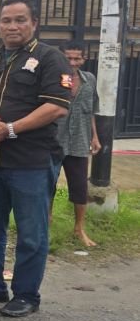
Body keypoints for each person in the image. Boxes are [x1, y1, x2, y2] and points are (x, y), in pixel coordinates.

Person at [0, 0, 71, 318]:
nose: (13, 26)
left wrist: (8, 129)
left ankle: (26, 295)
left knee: (31, 232)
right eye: (6, 21)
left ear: (34, 23)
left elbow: (56, 106)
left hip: (30, 162)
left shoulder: (50, 59)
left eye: (20, 20)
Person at [52, 40, 101, 247]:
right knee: (47, 185)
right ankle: (45, 224)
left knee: (80, 187)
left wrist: (95, 136)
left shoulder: (89, 80)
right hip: (54, 140)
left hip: (79, 141)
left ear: (84, 59)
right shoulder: (53, 79)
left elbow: (90, 111)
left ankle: (79, 228)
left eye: (77, 58)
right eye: (68, 58)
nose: (72, 62)